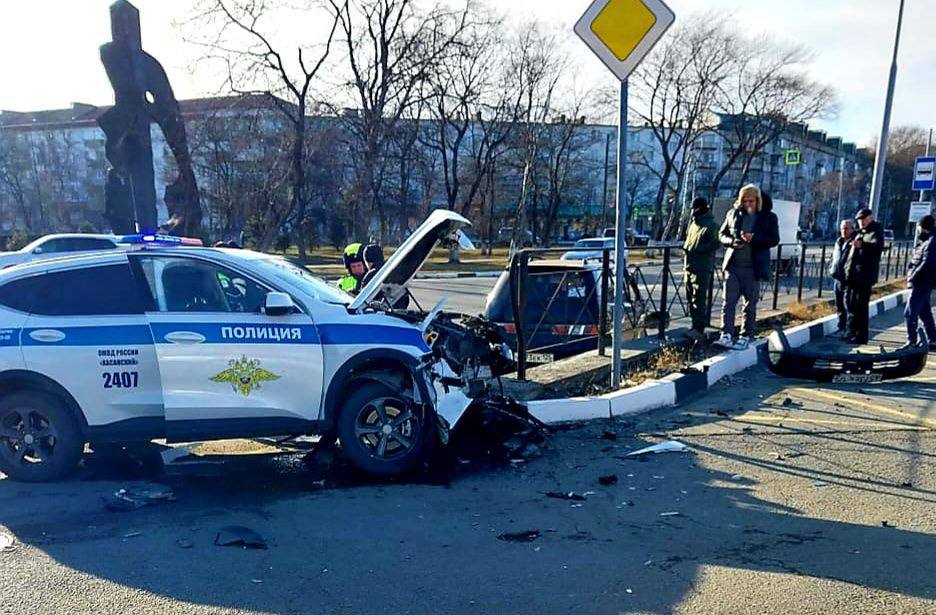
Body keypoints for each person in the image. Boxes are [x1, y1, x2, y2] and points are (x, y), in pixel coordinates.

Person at [715, 184, 762, 350]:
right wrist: (731, 242)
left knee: (749, 305)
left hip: (753, 267)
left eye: (751, 201)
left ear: (757, 201)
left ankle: (745, 335)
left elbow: (772, 238)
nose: (748, 204)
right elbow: (721, 234)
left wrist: (754, 238)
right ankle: (726, 334)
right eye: (745, 200)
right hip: (733, 266)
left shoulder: (763, 217)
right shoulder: (732, 214)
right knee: (728, 303)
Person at [844, 208, 884, 344]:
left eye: (862, 219)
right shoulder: (861, 232)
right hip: (854, 275)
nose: (860, 222)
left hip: (865, 276)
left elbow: (878, 247)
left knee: (861, 307)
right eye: (858, 220)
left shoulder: (875, 231)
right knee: (852, 304)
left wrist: (862, 245)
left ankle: (861, 335)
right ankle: (851, 332)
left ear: (869, 218)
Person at [682, 196, 720, 340]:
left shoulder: (711, 225)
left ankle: (699, 328)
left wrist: (696, 249)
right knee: (690, 298)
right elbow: (688, 241)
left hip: (702, 267)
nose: (693, 212)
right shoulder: (693, 224)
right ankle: (694, 325)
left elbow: (715, 244)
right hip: (689, 265)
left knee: (699, 298)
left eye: (695, 209)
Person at [904, 214, 936, 349]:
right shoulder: (927, 241)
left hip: (922, 282)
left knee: (909, 312)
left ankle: (911, 341)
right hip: (923, 282)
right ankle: (933, 339)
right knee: (924, 312)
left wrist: (913, 276)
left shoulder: (932, 241)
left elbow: (927, 262)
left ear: (922, 228)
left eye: (918, 227)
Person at [828, 219, 855, 335]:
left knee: (848, 305)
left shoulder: (854, 242)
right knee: (839, 305)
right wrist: (831, 268)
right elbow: (835, 258)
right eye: (842, 228)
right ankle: (841, 327)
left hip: (848, 279)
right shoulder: (839, 241)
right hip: (837, 278)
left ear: (852, 229)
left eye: (847, 228)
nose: (844, 231)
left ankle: (849, 330)